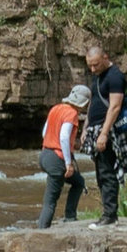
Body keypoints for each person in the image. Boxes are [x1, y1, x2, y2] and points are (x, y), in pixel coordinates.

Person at [82, 39, 127, 228]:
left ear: (105, 58)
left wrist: (104, 133)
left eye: (95, 65)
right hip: (95, 128)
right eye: (90, 66)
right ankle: (107, 212)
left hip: (108, 130)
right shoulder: (97, 76)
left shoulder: (115, 76)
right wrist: (85, 128)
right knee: (100, 172)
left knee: (107, 171)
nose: (93, 69)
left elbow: (114, 107)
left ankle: (110, 215)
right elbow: (93, 102)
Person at [39, 80, 90, 228]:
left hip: (45, 155)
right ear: (83, 103)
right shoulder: (72, 113)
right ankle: (42, 231)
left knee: (78, 182)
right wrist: (68, 163)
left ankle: (70, 216)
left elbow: (45, 133)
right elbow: (63, 136)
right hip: (57, 159)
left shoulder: (56, 108)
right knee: (50, 201)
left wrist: (71, 145)